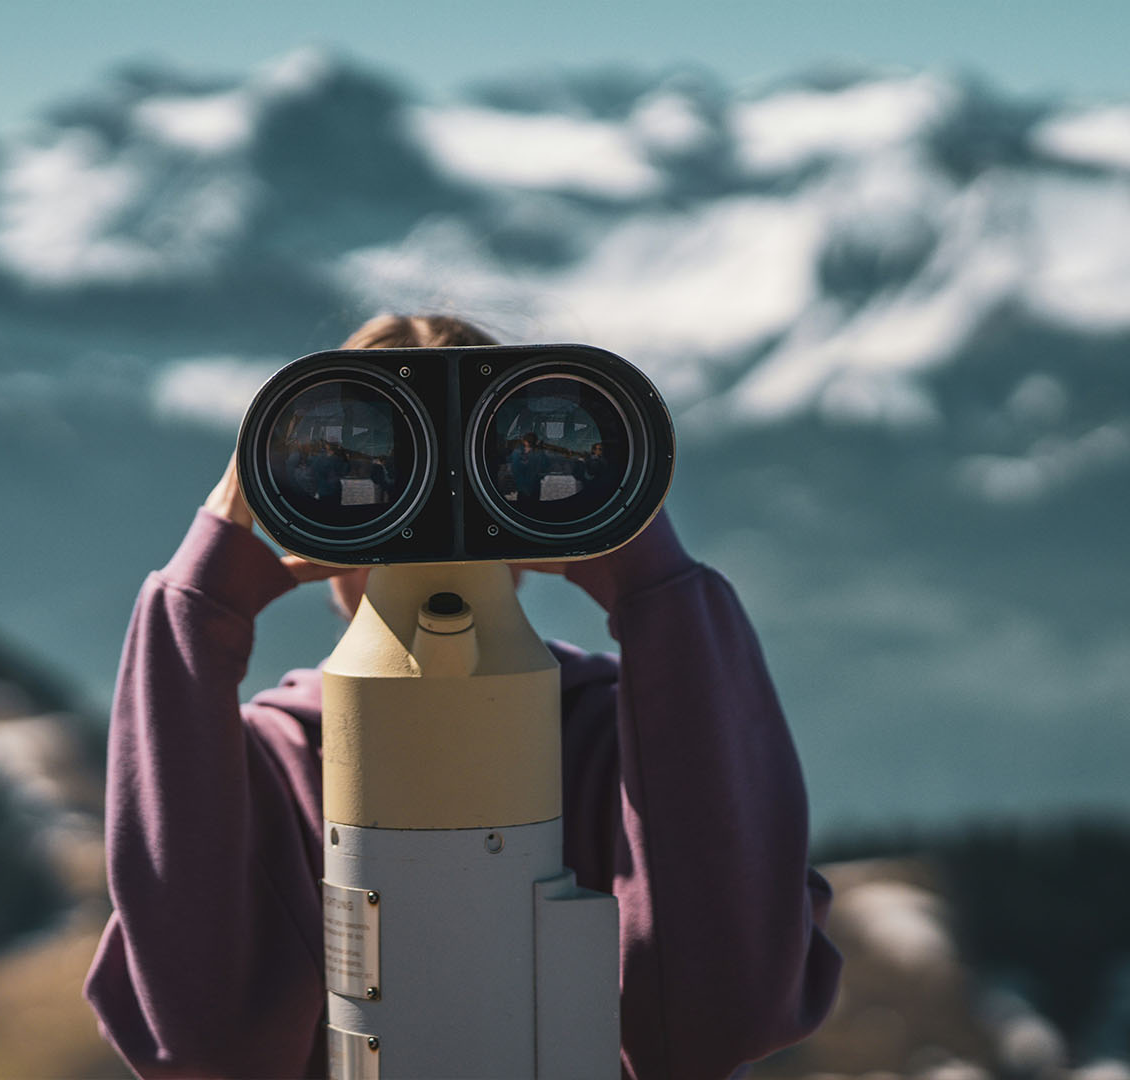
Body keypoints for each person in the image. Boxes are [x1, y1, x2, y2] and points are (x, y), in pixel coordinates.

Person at [84, 314, 841, 1079]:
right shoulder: (272, 765)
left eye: (480, 493)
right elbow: (200, 1032)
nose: (428, 536)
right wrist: (649, 570)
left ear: (537, 521)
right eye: (353, 479)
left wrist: (203, 586)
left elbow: (727, 1005)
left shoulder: (620, 739)